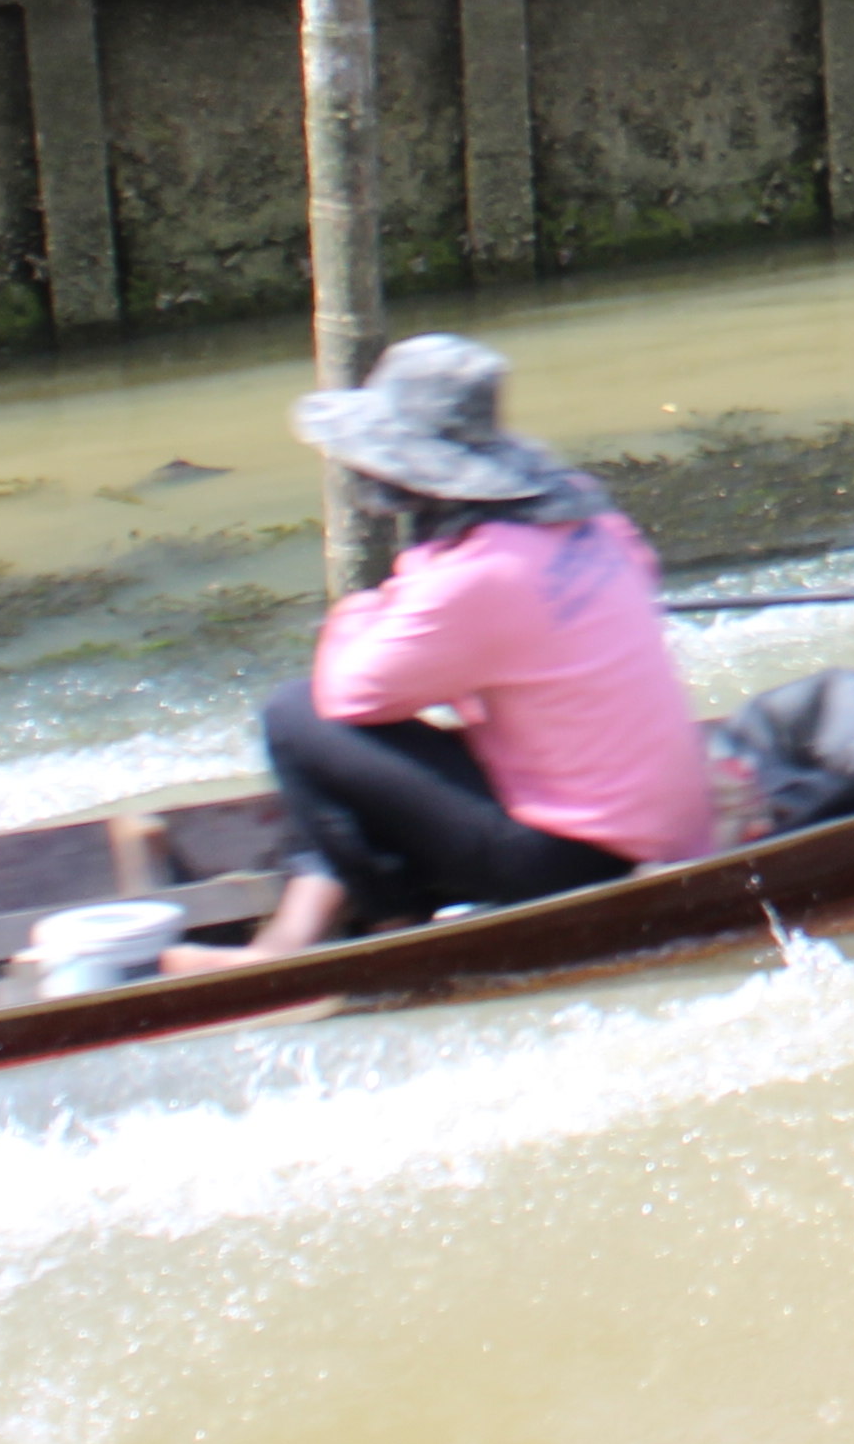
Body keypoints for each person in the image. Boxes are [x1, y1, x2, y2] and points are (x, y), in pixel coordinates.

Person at [165, 335, 714, 969]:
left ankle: (393, 925)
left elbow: (347, 693)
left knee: (295, 717)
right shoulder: (591, 521)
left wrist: (360, 608)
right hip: (674, 823)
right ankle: (295, 936)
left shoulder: (475, 575)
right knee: (367, 747)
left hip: (573, 859)